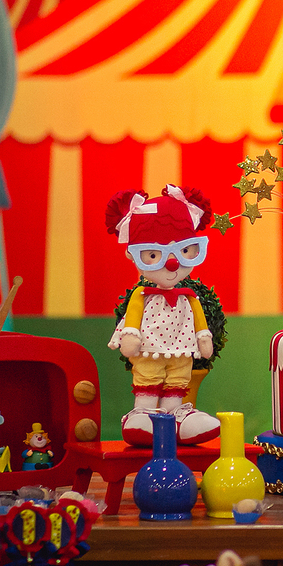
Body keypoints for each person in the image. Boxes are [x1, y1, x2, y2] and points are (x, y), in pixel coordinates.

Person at [106, 185, 221, 446]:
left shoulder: (188, 297)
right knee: (149, 377)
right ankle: (143, 412)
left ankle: (176, 415)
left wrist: (204, 337)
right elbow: (134, 314)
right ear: (133, 255)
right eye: (153, 255)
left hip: (182, 349)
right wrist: (130, 334)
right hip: (149, 348)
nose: (171, 263)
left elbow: (198, 318)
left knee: (179, 378)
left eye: (184, 251)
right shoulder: (142, 295)